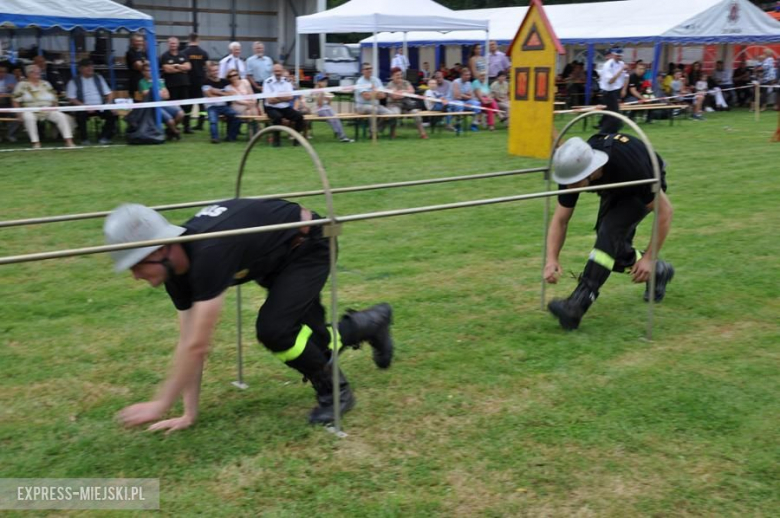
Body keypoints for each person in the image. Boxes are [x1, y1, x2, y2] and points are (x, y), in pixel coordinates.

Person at [103, 199, 394, 432]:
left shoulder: (210, 252)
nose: (135, 276)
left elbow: (199, 345)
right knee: (316, 344)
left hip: (309, 243)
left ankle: (336, 393)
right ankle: (372, 323)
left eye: (136, 265)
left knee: (275, 329)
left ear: (161, 249)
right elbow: (188, 343)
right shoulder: (177, 271)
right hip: (275, 257)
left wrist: (160, 404)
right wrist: (188, 413)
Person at [544, 134, 674, 331]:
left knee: (609, 231)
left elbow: (665, 212)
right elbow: (560, 219)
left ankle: (576, 305)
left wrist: (648, 257)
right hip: (616, 186)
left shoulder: (633, 168)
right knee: (613, 248)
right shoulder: (572, 168)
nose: (569, 187)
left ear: (591, 171)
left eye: (574, 182)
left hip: (644, 181)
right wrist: (551, 258)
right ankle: (659, 271)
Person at [12, 64, 75, 149]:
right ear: (29, 73)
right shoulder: (22, 85)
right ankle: (36, 143)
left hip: (47, 108)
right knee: (29, 118)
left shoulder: (46, 84)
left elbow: (54, 98)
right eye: (35, 72)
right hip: (30, 109)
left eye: (39, 72)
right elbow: (15, 100)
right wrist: (18, 114)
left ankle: (69, 141)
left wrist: (56, 107)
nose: (38, 73)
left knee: (61, 117)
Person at [65, 59, 116, 145]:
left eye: (91, 66)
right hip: (83, 107)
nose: (90, 68)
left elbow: (109, 93)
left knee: (113, 114)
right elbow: (71, 98)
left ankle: (104, 137)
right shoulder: (74, 81)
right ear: (80, 69)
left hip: (100, 106)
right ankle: (84, 139)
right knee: (80, 116)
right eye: (87, 66)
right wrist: (84, 106)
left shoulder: (98, 78)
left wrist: (108, 105)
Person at [138, 62, 184, 140]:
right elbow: (147, 95)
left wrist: (156, 93)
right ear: (143, 72)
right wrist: (159, 92)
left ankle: (170, 131)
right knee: (170, 121)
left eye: (150, 70)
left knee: (181, 114)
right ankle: (175, 132)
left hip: (163, 103)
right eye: (147, 70)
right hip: (151, 106)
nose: (149, 72)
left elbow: (167, 95)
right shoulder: (142, 82)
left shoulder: (158, 81)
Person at [263, 64, 304, 147]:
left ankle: (297, 139)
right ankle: (276, 141)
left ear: (282, 71)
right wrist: (283, 97)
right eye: (276, 71)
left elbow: (290, 97)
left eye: (279, 71)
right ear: (272, 71)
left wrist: (277, 97)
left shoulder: (287, 81)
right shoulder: (267, 82)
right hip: (271, 108)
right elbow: (269, 100)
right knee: (277, 117)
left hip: (284, 107)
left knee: (299, 117)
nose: (277, 73)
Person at [201, 61, 240, 144]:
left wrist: (216, 91)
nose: (216, 72)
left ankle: (230, 137)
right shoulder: (205, 82)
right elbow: (210, 96)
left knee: (235, 116)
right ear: (209, 72)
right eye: (213, 71)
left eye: (217, 70)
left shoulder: (224, 81)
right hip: (212, 107)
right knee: (213, 120)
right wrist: (223, 93)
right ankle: (215, 138)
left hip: (223, 106)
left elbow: (231, 94)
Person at [160, 37, 192, 134]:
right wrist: (181, 68)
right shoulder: (164, 56)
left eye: (174, 43)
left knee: (186, 107)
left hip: (184, 84)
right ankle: (172, 127)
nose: (173, 45)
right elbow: (166, 69)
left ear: (178, 44)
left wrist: (175, 66)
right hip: (171, 86)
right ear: (168, 44)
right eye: (171, 43)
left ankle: (187, 126)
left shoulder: (183, 54)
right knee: (173, 107)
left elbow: (188, 67)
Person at [386, 67, 428, 140]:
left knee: (416, 113)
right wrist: (405, 92)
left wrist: (401, 92)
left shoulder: (406, 82)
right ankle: (392, 133)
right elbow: (395, 96)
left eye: (400, 74)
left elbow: (412, 91)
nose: (399, 76)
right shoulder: (390, 85)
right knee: (395, 114)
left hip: (407, 105)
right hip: (394, 104)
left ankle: (422, 133)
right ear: (392, 76)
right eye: (397, 75)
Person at [354, 63, 394, 136]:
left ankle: (377, 129)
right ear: (362, 71)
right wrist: (376, 93)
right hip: (362, 106)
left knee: (390, 114)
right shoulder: (360, 82)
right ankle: (372, 133)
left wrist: (372, 94)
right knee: (373, 110)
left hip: (375, 104)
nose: (369, 70)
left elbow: (383, 95)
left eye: (370, 68)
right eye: (367, 69)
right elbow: (366, 97)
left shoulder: (376, 80)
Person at [313, 73, 353, 143]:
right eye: (323, 81)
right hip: (320, 110)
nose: (325, 83)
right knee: (332, 119)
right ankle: (339, 134)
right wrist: (322, 94)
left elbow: (328, 104)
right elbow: (319, 104)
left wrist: (329, 100)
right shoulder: (315, 91)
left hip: (327, 108)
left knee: (336, 118)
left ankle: (343, 136)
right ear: (318, 82)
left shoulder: (326, 90)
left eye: (326, 81)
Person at [182, 33, 210, 131]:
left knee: (187, 103)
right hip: (200, 81)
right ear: (198, 40)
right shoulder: (203, 53)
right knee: (201, 103)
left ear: (189, 39)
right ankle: (200, 124)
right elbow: (208, 67)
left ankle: (187, 125)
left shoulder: (184, 52)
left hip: (188, 81)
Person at [598, 48, 628, 133]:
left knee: (612, 114)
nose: (619, 58)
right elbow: (611, 81)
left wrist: (624, 89)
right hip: (608, 92)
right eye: (617, 56)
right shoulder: (608, 65)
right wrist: (621, 70)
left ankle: (611, 131)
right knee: (614, 115)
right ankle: (604, 132)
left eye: (620, 56)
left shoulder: (621, 63)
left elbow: (626, 77)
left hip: (616, 91)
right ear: (613, 55)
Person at [449, 67, 481, 133]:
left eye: (469, 75)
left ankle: (474, 125)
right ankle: (458, 125)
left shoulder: (469, 83)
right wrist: (465, 95)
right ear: (461, 75)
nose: (468, 76)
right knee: (460, 105)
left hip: (465, 101)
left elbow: (470, 96)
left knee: (477, 104)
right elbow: (456, 96)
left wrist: (462, 95)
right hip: (453, 102)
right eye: (466, 75)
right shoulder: (456, 82)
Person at [0, 61, 20, 143]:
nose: (2, 73)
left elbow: (18, 91)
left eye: (4, 72)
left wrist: (13, 87)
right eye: (0, 72)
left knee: (18, 114)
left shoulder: (11, 77)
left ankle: (10, 134)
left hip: (9, 102)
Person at [125, 33, 147, 102]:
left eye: (141, 41)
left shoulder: (145, 52)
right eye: (137, 41)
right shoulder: (130, 52)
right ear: (132, 42)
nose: (139, 43)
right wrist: (146, 63)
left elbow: (152, 63)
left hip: (145, 81)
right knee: (137, 101)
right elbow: (139, 66)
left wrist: (145, 63)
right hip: (135, 82)